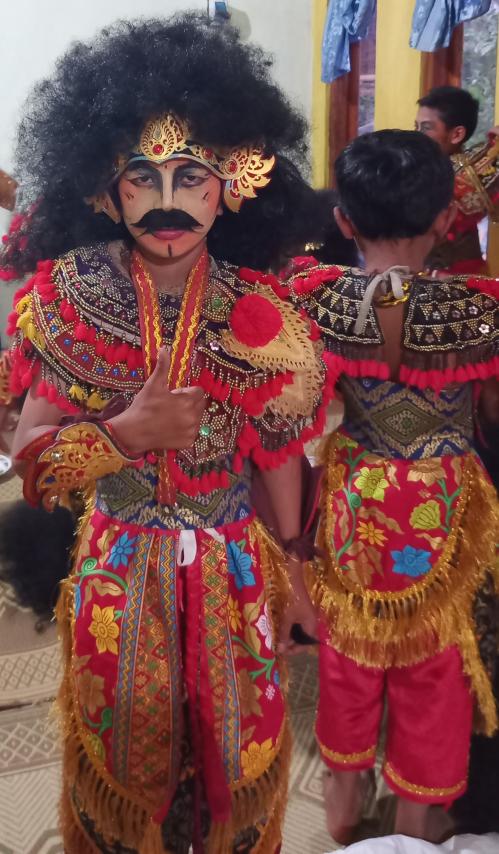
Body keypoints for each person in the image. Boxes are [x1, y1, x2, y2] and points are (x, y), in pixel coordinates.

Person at [2, 14, 328, 852]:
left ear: (233, 183)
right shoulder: (72, 297)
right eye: (141, 178)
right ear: (104, 190)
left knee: (239, 753)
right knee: (122, 749)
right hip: (119, 562)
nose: (168, 202)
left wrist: (296, 575)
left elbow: (277, 455)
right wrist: (123, 434)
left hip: (233, 561)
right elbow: (30, 461)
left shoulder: (264, 309)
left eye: (191, 175)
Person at [283, 130, 499, 845]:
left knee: (349, 652)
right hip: (447, 505)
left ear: (343, 220)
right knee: (437, 663)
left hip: (356, 499)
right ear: (445, 219)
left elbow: (286, 421)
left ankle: (343, 815)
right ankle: (413, 824)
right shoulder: (481, 311)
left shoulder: (311, 301)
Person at [415, 86, 499, 274]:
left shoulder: (470, 173)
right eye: (416, 127)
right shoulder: (418, 167)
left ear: (457, 134)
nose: (417, 135)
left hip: (458, 278)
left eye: (426, 128)